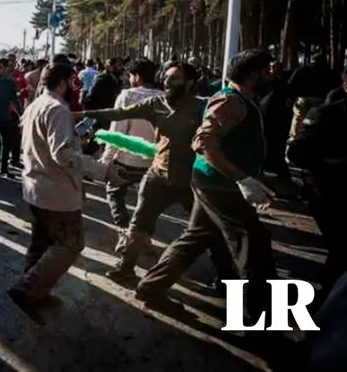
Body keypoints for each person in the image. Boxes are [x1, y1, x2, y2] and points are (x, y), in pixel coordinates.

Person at [135, 50, 276, 319]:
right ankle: (260, 322)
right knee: (253, 243)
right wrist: (242, 179)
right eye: (267, 70)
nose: (272, 74)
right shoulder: (229, 101)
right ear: (252, 75)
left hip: (214, 183)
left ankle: (151, 287)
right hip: (220, 186)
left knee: (196, 237)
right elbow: (204, 142)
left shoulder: (243, 100)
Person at [76, 62, 235, 285]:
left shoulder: (204, 108)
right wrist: (81, 114)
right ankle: (125, 268)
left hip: (191, 181)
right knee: (138, 225)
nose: (168, 83)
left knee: (209, 229)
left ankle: (226, 276)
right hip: (157, 177)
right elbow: (119, 113)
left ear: (191, 83)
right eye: (166, 78)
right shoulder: (156, 103)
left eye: (175, 79)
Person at [10, 62, 119, 324]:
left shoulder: (37, 104)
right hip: (56, 193)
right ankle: (27, 290)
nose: (75, 87)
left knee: (42, 242)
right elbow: (62, 154)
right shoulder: (58, 109)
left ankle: (35, 287)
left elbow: (46, 142)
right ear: (62, 83)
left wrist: (75, 140)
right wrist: (102, 170)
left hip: (36, 188)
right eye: (72, 82)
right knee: (71, 244)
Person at [287, 94, 347, 304]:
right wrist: (332, 165)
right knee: (341, 250)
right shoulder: (325, 114)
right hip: (329, 191)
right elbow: (296, 152)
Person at [97, 58, 161, 233]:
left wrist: (106, 160)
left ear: (137, 76)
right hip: (153, 162)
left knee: (114, 191)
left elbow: (117, 131)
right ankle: (143, 234)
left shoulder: (127, 96)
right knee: (147, 201)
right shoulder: (163, 97)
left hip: (127, 160)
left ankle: (124, 229)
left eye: (131, 75)